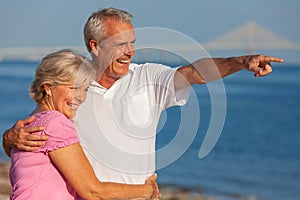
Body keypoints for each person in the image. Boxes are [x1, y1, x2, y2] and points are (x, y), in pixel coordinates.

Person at [3, 7, 284, 195]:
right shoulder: (71, 89)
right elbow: (37, 135)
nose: (129, 52)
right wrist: (9, 137)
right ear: (94, 46)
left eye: (132, 43)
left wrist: (242, 61)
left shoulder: (148, 77)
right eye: (120, 44)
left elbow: (195, 73)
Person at [8, 49, 159, 200]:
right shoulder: (54, 122)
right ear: (48, 87)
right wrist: (147, 190)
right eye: (73, 88)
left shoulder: (30, 123)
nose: (80, 96)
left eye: (85, 88)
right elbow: (94, 192)